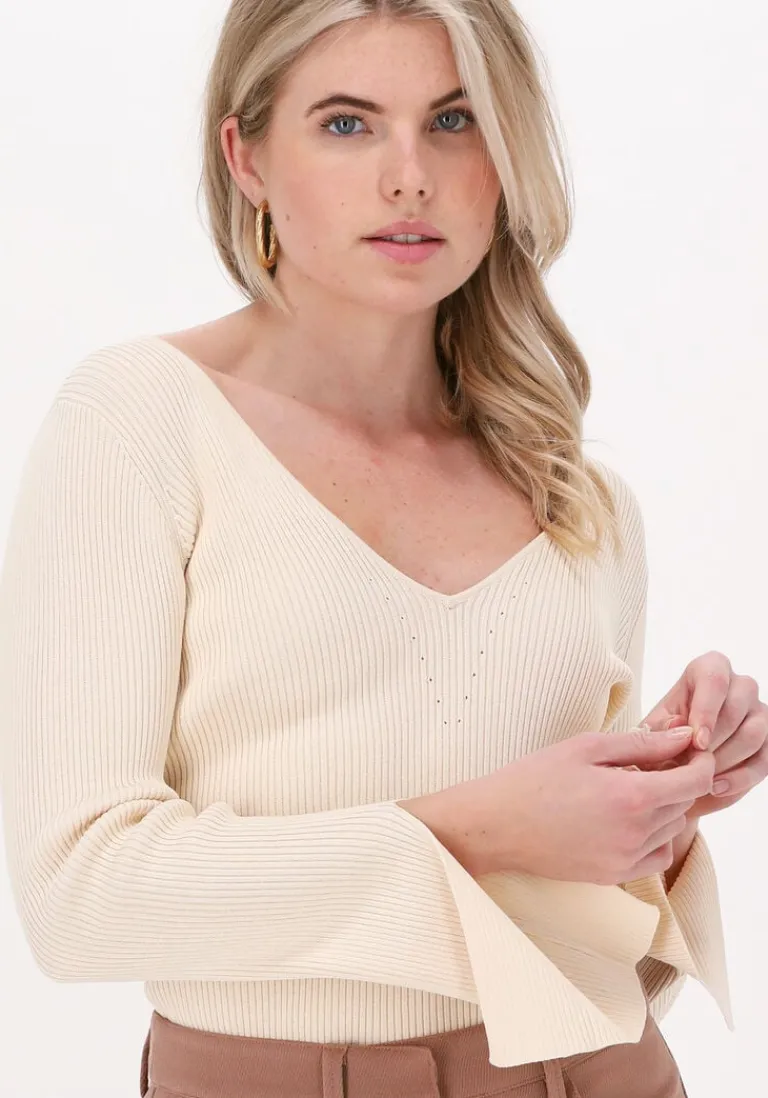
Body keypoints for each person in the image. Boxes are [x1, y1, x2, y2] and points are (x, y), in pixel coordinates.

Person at [2, 2, 766, 1096]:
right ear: (248, 158)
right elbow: (79, 897)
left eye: (455, 121)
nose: (410, 178)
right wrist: (479, 832)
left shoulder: (579, 497)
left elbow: (588, 965)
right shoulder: (141, 423)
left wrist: (659, 804)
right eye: (348, 124)